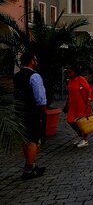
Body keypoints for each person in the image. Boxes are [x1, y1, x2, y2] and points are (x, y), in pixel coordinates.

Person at [13, 51, 47, 180]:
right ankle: (28, 169)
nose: (36, 62)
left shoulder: (17, 75)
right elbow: (40, 97)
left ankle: (31, 165)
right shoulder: (34, 76)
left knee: (25, 138)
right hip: (32, 110)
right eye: (35, 59)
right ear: (32, 60)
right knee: (34, 139)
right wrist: (43, 111)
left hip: (19, 109)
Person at [64, 65, 93, 148]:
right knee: (70, 120)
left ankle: (84, 139)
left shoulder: (80, 79)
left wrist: (88, 101)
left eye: (69, 72)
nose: (68, 73)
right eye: (67, 72)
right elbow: (69, 93)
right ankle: (81, 135)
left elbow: (88, 89)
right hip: (73, 105)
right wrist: (67, 104)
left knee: (83, 122)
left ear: (75, 71)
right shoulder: (70, 80)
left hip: (82, 104)